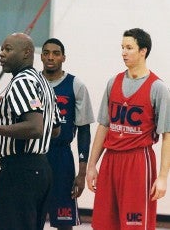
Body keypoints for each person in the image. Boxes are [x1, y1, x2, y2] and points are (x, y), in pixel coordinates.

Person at [0, 32, 61, 230]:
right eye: (1, 49)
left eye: (8, 49)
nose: (1, 54)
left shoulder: (21, 82)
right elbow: (54, 130)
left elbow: (35, 127)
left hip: (19, 172)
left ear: (26, 53)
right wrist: (4, 105)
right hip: (41, 171)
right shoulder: (43, 83)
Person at [86, 28, 170, 229]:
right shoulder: (113, 82)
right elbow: (104, 126)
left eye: (129, 48)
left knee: (134, 224)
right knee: (104, 223)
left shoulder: (158, 88)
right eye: (122, 47)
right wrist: (91, 166)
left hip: (138, 160)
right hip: (110, 159)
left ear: (143, 51)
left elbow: (167, 135)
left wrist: (162, 177)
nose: (124, 52)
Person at [40, 38, 94, 230]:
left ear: (63, 57)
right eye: (46, 53)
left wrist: (81, 172)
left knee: (64, 220)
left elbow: (84, 130)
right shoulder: (32, 83)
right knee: (31, 217)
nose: (50, 57)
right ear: (41, 56)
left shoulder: (75, 85)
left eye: (56, 53)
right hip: (35, 154)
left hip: (61, 156)